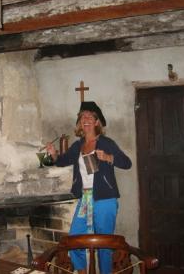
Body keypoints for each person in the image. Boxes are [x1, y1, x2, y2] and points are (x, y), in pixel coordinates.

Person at [46, 101, 132, 274]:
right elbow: (63, 161)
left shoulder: (106, 142)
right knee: (74, 240)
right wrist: (54, 154)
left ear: (97, 122)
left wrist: (108, 157)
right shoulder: (78, 145)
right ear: (79, 123)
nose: (85, 119)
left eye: (90, 116)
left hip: (105, 199)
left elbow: (127, 163)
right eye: (82, 116)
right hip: (85, 198)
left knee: (104, 244)